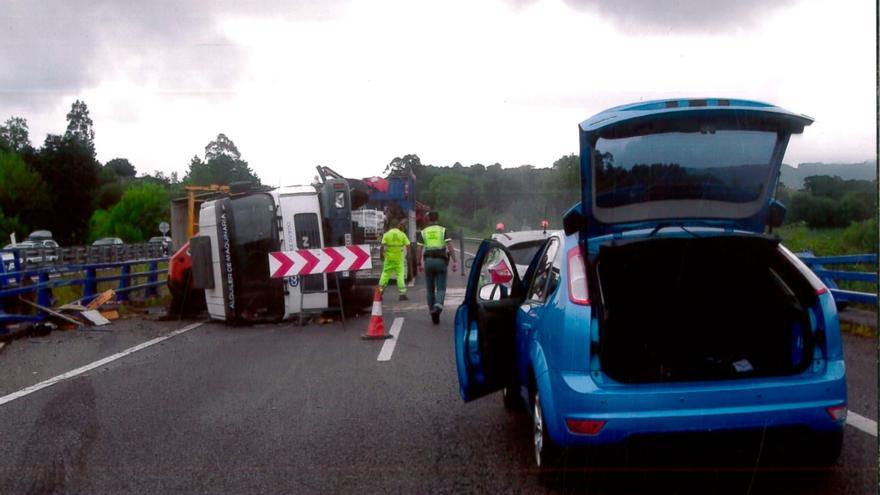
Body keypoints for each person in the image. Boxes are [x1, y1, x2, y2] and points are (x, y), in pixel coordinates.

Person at [416, 211, 457, 324]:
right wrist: (455, 261)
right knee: (441, 288)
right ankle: (438, 307)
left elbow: (419, 249)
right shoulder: (443, 230)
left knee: (430, 289)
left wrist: (418, 264)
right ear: (438, 219)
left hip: (428, 261)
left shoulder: (423, 232)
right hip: (440, 261)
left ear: (428, 219)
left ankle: (432, 311)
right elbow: (449, 246)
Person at [379, 220, 410, 301]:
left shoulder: (386, 234)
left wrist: (381, 255)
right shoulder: (402, 234)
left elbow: (382, 246)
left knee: (385, 274)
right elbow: (408, 245)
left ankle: (380, 292)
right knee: (400, 275)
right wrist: (408, 256)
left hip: (389, 258)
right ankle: (402, 293)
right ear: (398, 225)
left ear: (390, 226)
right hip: (399, 258)